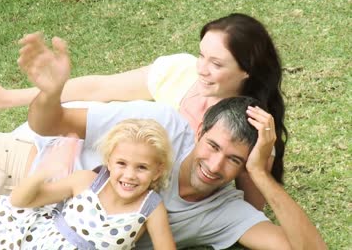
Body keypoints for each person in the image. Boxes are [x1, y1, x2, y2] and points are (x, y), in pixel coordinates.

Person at [17, 32, 326, 249]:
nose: (215, 165)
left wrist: (260, 174)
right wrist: (51, 92)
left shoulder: (226, 212)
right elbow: (50, 124)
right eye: (213, 146)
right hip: (21, 164)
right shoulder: (162, 125)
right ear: (200, 131)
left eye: (234, 160)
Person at [0, 13, 286, 210]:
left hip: (104, 185)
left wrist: (258, 166)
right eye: (202, 55)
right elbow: (98, 89)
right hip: (72, 142)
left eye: (216, 64)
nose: (202, 69)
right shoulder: (181, 70)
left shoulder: (245, 128)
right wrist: (11, 97)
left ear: (247, 71)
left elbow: (250, 209)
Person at [0, 119, 176, 250]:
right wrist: (45, 171)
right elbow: (20, 201)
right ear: (109, 161)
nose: (129, 175)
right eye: (122, 164)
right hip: (20, 237)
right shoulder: (87, 182)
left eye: (142, 168)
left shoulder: (150, 209)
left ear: (157, 170)